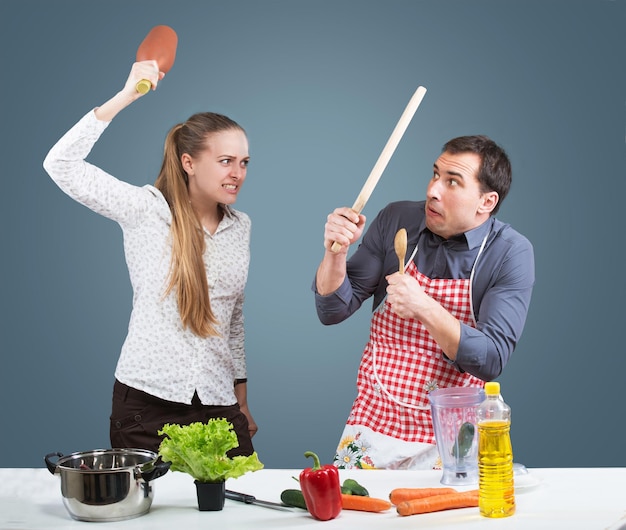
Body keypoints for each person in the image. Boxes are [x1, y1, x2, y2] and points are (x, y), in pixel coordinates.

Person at [43, 60, 258, 457]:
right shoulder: (145, 209)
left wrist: (241, 401)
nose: (238, 173)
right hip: (146, 406)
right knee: (152, 517)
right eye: (226, 161)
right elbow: (61, 164)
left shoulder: (240, 226)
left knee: (229, 516)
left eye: (244, 162)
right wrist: (128, 95)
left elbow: (233, 319)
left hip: (217, 403)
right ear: (188, 162)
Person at [313, 135, 534, 470]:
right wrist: (336, 253)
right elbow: (332, 310)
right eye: (435, 174)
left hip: (452, 439)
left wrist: (424, 306)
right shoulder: (396, 220)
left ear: (486, 202)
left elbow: (490, 359)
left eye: (452, 182)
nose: (433, 190)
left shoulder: (509, 253)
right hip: (372, 425)